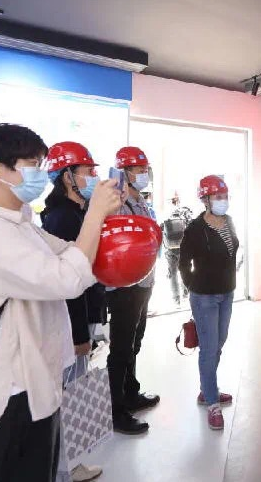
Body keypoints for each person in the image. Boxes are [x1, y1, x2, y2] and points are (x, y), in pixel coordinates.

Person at [0, 123, 120, 482]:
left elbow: (74, 257)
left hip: (35, 386)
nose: (40, 175)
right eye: (31, 164)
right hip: (4, 395)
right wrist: (95, 214)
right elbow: (66, 279)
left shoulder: (21, 226)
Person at [40, 141, 106, 482]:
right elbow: (69, 284)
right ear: (68, 177)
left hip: (84, 314)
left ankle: (70, 462)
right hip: (70, 322)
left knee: (75, 389)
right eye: (88, 171)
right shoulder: (61, 218)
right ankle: (67, 467)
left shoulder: (79, 212)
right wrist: (80, 335)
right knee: (69, 393)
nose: (93, 176)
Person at [179, 175, 239, 430]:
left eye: (225, 196)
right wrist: (193, 286)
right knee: (209, 348)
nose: (223, 200)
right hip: (204, 297)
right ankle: (212, 403)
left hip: (227, 292)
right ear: (205, 199)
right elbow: (183, 262)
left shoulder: (229, 221)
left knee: (219, 342)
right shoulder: (195, 228)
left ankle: (207, 389)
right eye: (217, 197)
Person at [105, 146, 158, 435]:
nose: (143, 174)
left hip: (144, 283)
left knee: (135, 343)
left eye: (145, 169)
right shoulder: (116, 202)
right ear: (124, 173)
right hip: (124, 286)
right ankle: (116, 410)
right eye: (138, 170)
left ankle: (130, 393)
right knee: (121, 348)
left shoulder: (142, 202)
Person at [163, 192, 194, 306]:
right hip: (183, 247)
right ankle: (185, 294)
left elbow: (161, 229)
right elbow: (192, 225)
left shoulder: (165, 213)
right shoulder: (185, 211)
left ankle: (176, 299)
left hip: (170, 248)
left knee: (173, 273)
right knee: (184, 270)